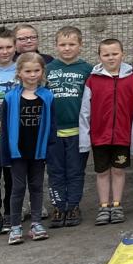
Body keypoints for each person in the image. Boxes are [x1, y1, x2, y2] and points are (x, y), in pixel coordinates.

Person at [78, 37, 133, 225]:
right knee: (101, 172)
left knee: (118, 171)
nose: (111, 58)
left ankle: (116, 205)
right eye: (106, 54)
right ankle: (103, 206)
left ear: (123, 54)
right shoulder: (92, 81)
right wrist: (85, 139)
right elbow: (85, 112)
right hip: (99, 137)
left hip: (122, 137)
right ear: (99, 56)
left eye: (115, 53)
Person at [0, 53, 54, 245]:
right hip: (18, 153)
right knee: (18, 188)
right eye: (28, 71)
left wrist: (50, 151)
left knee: (37, 187)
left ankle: (36, 224)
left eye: (36, 70)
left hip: (38, 152)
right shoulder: (10, 98)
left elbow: (52, 126)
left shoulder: (48, 96)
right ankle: (15, 227)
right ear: (19, 73)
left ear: (42, 71)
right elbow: (4, 129)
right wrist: (5, 155)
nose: (32, 75)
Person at [44, 26, 93, 227]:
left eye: (72, 44)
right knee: (55, 172)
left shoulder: (87, 69)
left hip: (78, 132)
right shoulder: (47, 69)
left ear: (80, 45)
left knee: (75, 171)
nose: (67, 48)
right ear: (56, 46)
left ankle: (73, 206)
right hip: (52, 133)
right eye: (62, 44)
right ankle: (58, 206)